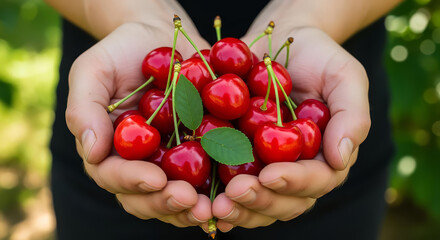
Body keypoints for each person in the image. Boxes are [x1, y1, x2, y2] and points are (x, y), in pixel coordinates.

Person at [45, 0, 402, 239]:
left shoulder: (302, 119)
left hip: (324, 175)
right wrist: (132, 13)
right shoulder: (156, 106)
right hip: (117, 144)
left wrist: (312, 16)